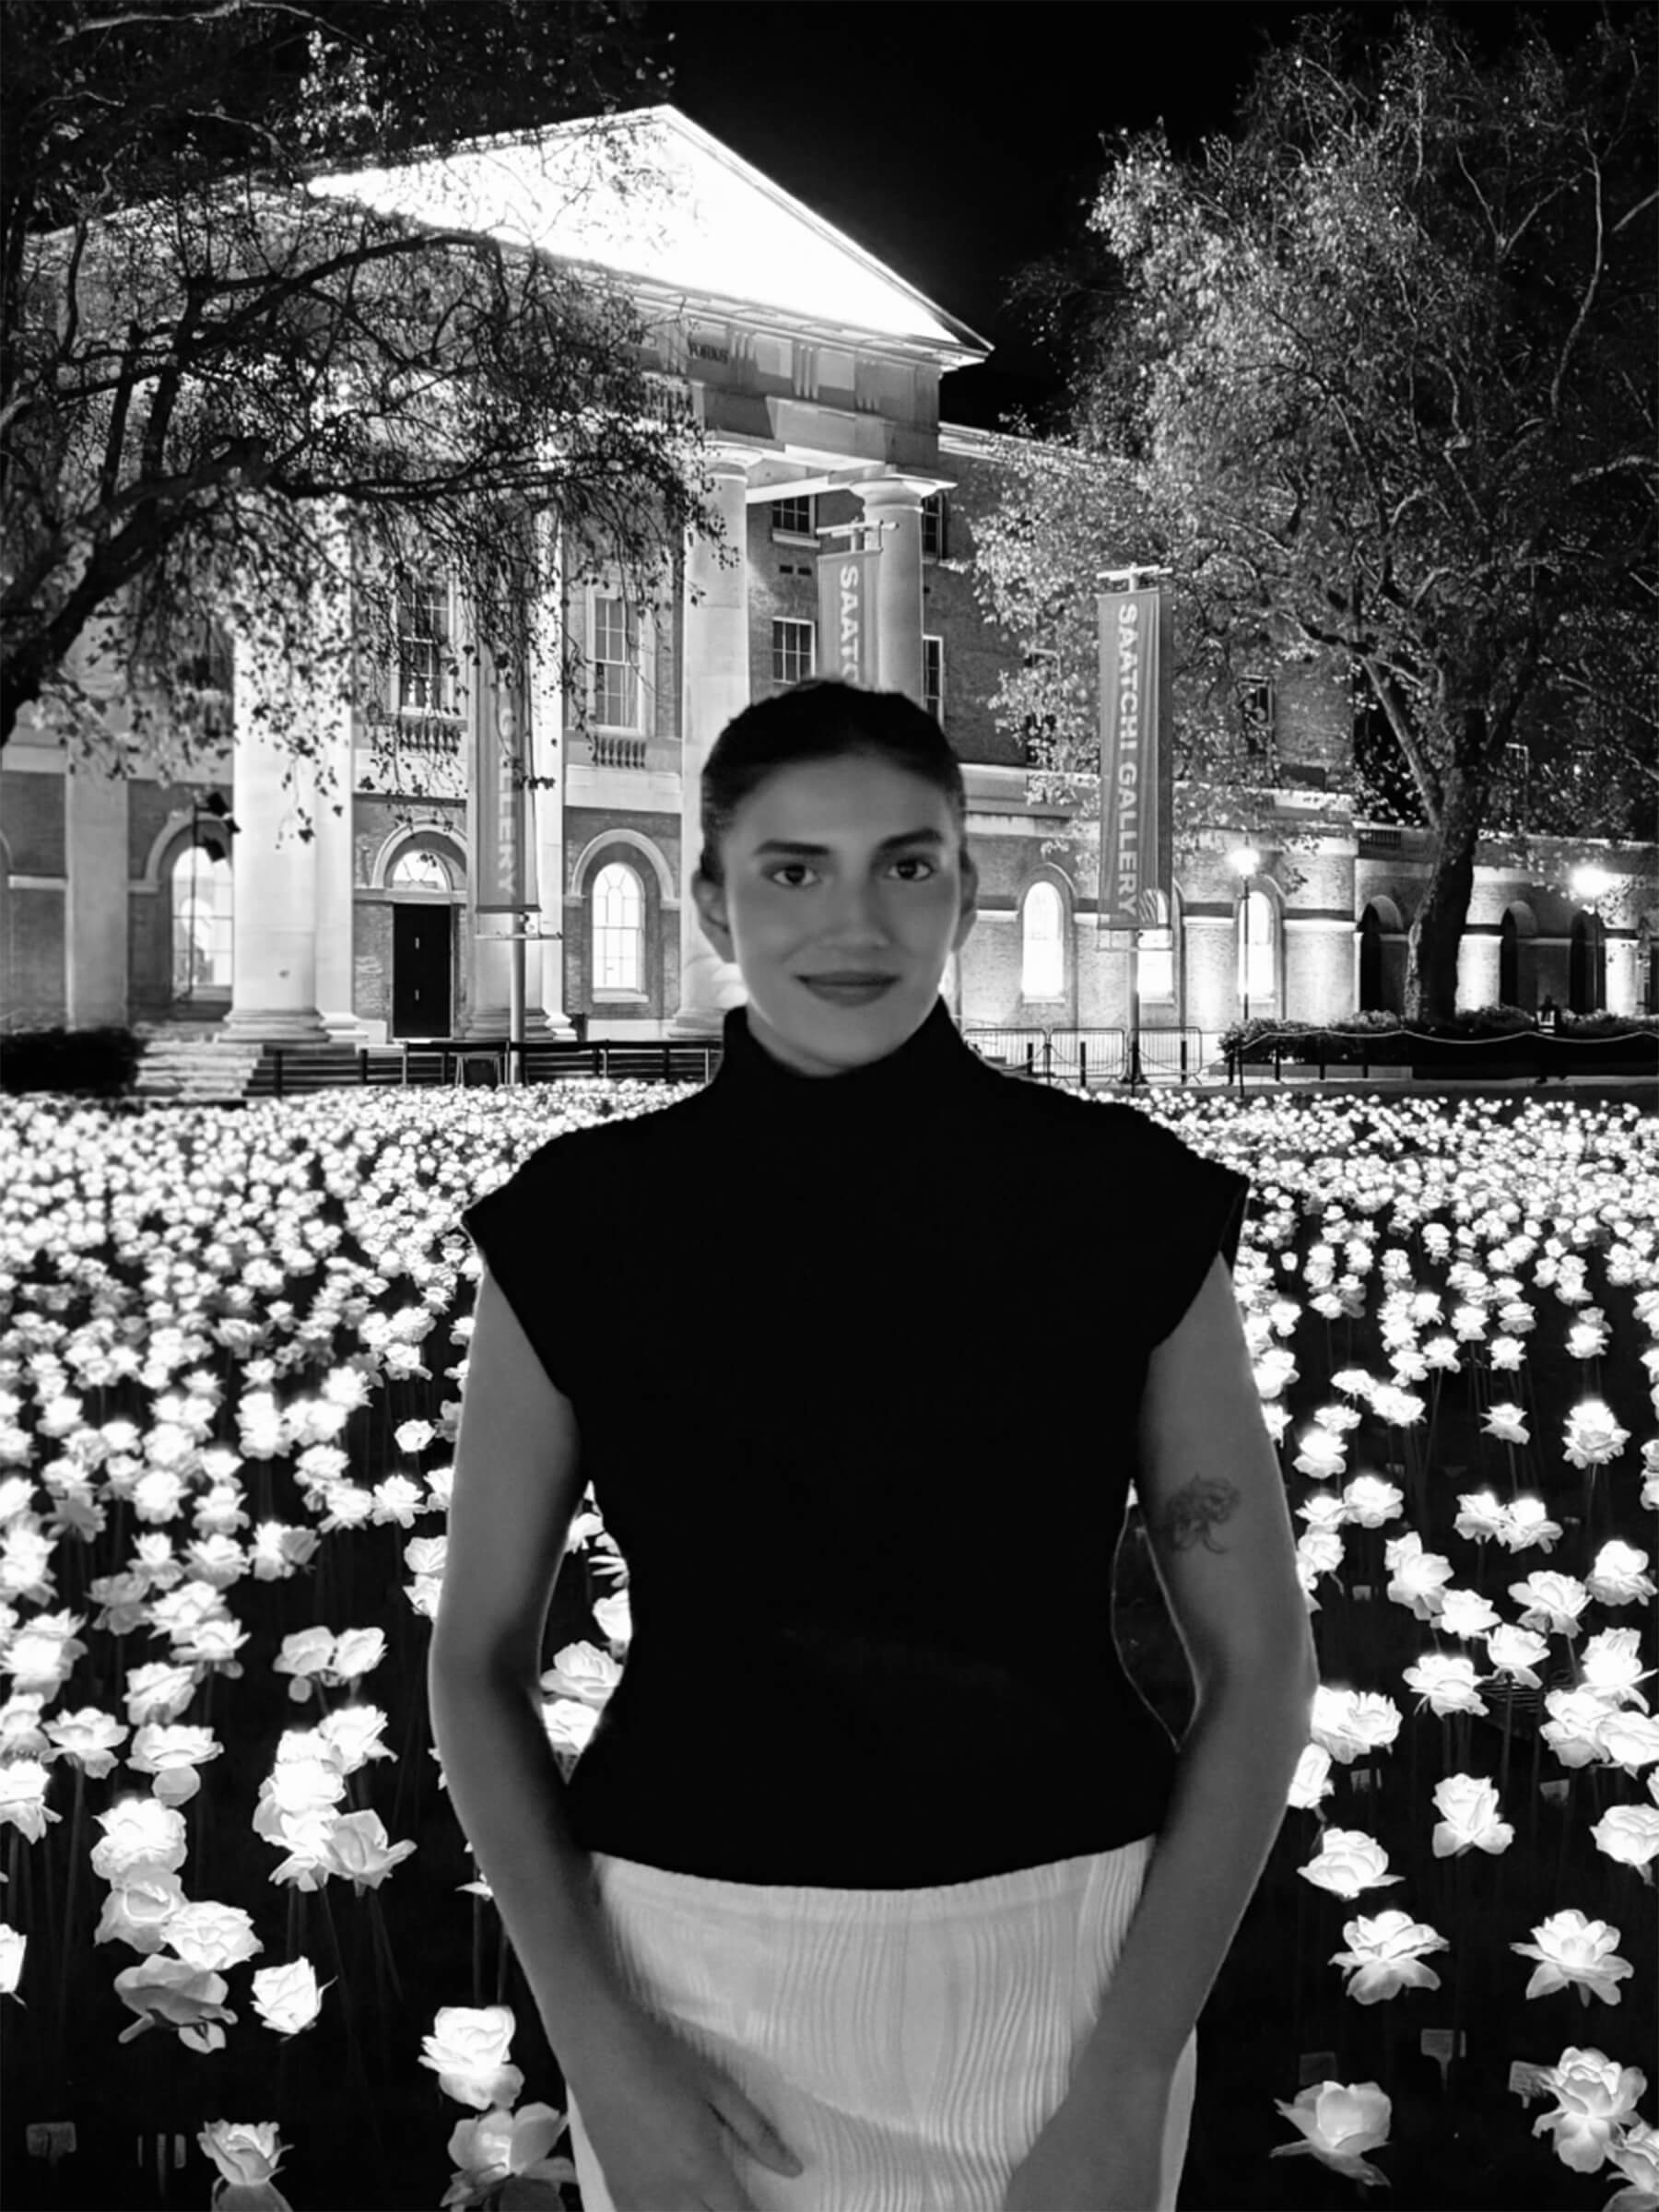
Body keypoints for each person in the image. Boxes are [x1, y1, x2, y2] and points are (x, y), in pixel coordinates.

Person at [432, 680, 1317, 2212]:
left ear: (965, 891)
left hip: (1065, 1970)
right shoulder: (581, 1224)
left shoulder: (1124, 1202)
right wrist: (601, 2051)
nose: (857, 920)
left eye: (907, 864)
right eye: (793, 869)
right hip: (688, 1981)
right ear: (710, 898)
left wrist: (1122, 2084)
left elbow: (1263, 1667)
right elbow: (475, 1660)